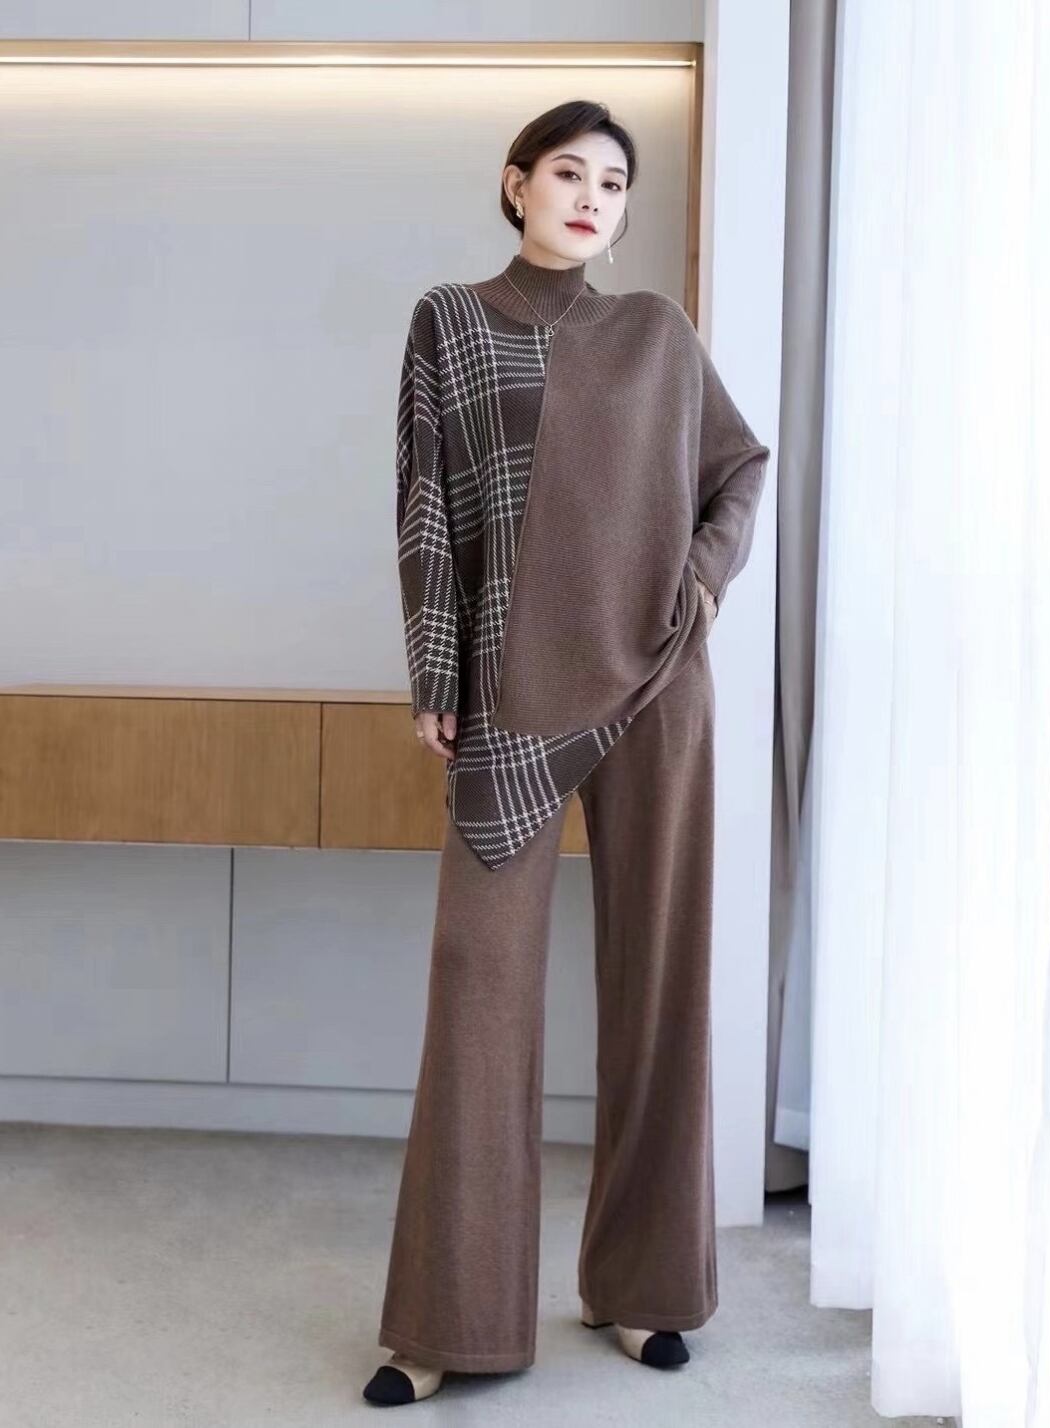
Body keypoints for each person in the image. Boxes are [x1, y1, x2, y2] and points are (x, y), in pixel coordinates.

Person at [364, 98, 770, 1407]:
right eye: (569, 173)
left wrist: (699, 586)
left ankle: (642, 1291)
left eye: (614, 181)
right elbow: (427, 502)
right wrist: (437, 672)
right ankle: (448, 1323)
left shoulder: (656, 333)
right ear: (515, 184)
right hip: (513, 690)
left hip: (657, 685)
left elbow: (739, 469)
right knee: (480, 992)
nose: (594, 197)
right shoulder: (451, 321)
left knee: (659, 983)